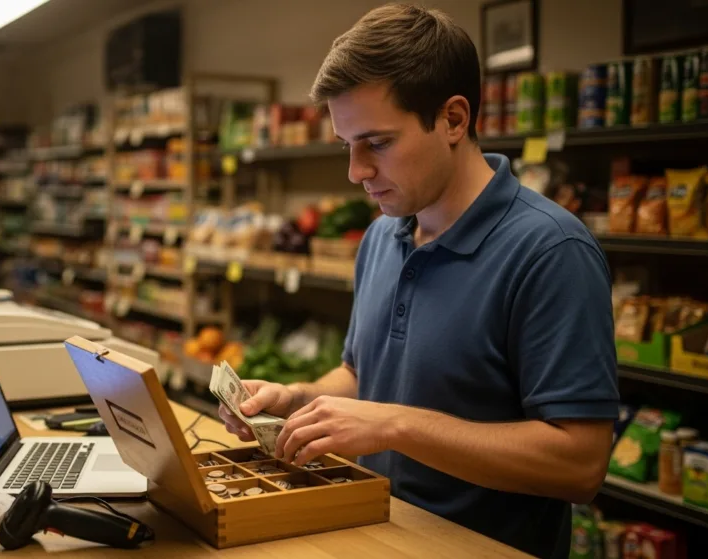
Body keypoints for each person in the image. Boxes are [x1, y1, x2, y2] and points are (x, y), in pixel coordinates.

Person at [218, 4, 619, 558]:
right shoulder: (383, 237)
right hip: (373, 533)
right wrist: (299, 401)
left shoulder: (551, 251)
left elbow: (580, 464)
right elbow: (363, 376)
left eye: (377, 144)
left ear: (453, 120)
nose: (356, 172)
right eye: (346, 146)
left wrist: (396, 427)